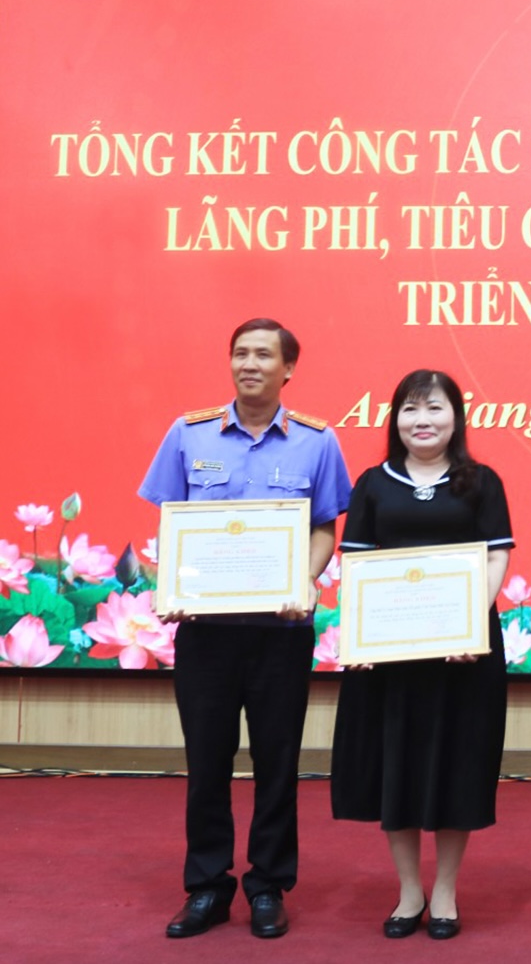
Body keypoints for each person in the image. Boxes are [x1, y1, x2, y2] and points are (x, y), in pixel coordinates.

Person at [139, 318, 352, 939]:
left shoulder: (317, 441)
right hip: (206, 632)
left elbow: (324, 527)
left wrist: (304, 581)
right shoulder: (188, 433)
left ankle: (267, 886)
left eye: (263, 355)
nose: (249, 364)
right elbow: (171, 522)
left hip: (280, 632)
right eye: (240, 353)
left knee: (277, 762)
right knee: (206, 762)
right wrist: (173, 587)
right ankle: (206, 887)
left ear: (289, 369)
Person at [329, 370, 512, 940]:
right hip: (390, 657)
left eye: (434, 408)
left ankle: (447, 891)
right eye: (410, 409)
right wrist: (358, 637)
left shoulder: (481, 481)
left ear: (456, 417)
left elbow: (496, 557)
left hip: (464, 656)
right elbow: (356, 565)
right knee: (397, 769)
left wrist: (471, 626)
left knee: (458, 768)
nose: (422, 420)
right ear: (396, 420)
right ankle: (409, 891)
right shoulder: (372, 483)